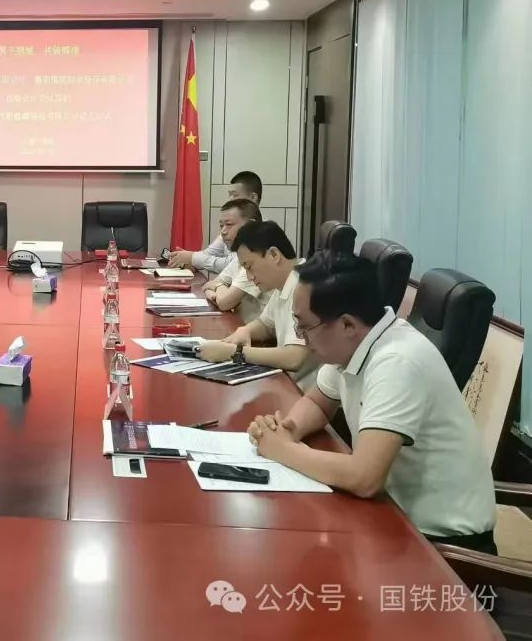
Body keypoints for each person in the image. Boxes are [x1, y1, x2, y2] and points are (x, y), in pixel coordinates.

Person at [247, 252, 496, 552]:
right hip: (390, 514)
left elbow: (365, 477)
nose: (301, 337)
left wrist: (284, 450)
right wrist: (289, 429)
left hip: (441, 546)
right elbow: (317, 401)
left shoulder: (397, 362)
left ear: (347, 324)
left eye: (304, 326)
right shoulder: (356, 343)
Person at [197, 219, 319, 387]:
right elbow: (266, 324)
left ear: (274, 255)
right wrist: (245, 331)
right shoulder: (284, 283)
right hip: (284, 385)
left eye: (249, 266)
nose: (249, 277)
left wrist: (234, 353)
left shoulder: (306, 286)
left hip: (305, 393)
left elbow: (294, 358)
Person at [167, 170, 263, 274]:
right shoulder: (227, 230)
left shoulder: (262, 231)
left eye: (235, 195)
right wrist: (188, 260)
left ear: (253, 197)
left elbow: (234, 265)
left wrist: (193, 258)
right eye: (222, 225)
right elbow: (208, 255)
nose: (229, 200)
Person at [202, 198, 268, 322]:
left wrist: (218, 288)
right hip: (242, 327)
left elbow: (224, 303)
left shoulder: (258, 258)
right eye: (221, 226)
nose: (223, 232)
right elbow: (208, 286)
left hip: (259, 332)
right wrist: (218, 289)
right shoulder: (240, 257)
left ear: (251, 225)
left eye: (229, 225)